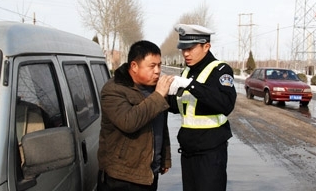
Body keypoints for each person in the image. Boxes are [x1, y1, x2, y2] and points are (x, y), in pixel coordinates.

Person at [167, 24, 237, 191]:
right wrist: (160, 93)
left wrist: (191, 85)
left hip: (210, 151)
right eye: (183, 49)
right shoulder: (186, 72)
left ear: (206, 46)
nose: (185, 53)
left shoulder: (220, 70)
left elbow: (225, 104)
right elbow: (181, 107)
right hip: (188, 149)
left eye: (190, 48)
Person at [97, 40, 174, 191]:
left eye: (159, 65)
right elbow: (129, 122)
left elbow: (160, 127)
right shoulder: (114, 89)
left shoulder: (154, 89)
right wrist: (159, 95)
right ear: (134, 66)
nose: (158, 71)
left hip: (149, 173)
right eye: (152, 66)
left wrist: (165, 158)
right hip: (122, 177)